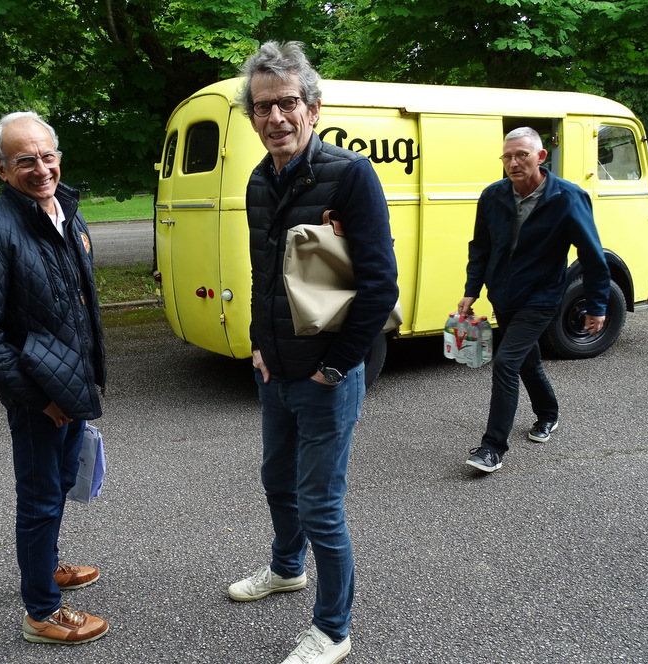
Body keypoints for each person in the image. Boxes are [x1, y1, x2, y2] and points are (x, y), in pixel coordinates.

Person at [227, 42, 399, 664]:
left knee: (320, 505)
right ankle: (286, 568)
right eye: (263, 106)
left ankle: (332, 630)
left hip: (327, 375)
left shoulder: (350, 175)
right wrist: (258, 343)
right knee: (278, 480)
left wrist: (337, 365)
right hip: (274, 369)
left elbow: (381, 285)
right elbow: (264, 274)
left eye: (287, 103)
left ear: (313, 107)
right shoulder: (258, 180)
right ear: (252, 117)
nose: (275, 117)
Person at [0, 111, 109, 644]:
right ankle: (42, 612)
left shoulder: (66, 211)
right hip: (38, 396)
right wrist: (41, 398)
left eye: (47, 156)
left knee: (60, 485)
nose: (41, 169)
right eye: (25, 161)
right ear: (1, 169)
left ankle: (47, 566)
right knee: (40, 499)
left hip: (72, 386)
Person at [458, 126, 610, 473]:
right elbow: (480, 247)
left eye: (521, 155)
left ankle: (492, 448)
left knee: (506, 363)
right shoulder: (493, 196)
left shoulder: (567, 197)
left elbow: (592, 256)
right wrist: (472, 290)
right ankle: (549, 414)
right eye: (507, 156)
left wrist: (597, 305)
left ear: (540, 157)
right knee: (527, 361)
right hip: (503, 294)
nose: (513, 162)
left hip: (541, 297)